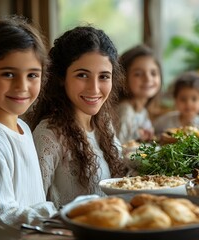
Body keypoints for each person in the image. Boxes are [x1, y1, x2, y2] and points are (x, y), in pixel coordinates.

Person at [26, 26, 126, 209]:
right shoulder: (49, 135)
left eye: (104, 76)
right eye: (82, 75)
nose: (94, 88)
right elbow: (33, 208)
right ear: (61, 77)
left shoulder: (103, 125)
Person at [0, 16, 57, 239]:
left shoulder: (23, 127)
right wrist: (57, 214)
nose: (22, 86)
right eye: (8, 74)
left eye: (32, 75)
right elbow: (1, 218)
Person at [117, 44, 162, 144]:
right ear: (122, 78)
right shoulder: (125, 111)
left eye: (153, 73)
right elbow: (117, 149)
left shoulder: (142, 111)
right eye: (138, 74)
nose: (148, 79)